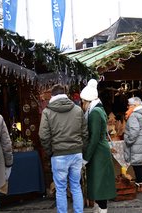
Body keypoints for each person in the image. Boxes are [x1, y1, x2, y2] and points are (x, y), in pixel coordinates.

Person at [39, 84, 88, 213]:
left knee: (60, 189)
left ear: (53, 96)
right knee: (76, 186)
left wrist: (50, 151)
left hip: (58, 154)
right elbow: (85, 133)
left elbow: (43, 135)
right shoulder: (77, 110)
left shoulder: (47, 112)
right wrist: (81, 148)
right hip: (76, 152)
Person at [80, 79, 116, 213]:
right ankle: (100, 208)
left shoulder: (94, 113)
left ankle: (102, 209)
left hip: (98, 152)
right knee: (98, 181)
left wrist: (86, 157)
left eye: (83, 102)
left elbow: (94, 137)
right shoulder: (98, 109)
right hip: (100, 150)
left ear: (87, 101)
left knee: (99, 182)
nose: (82, 104)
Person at [123, 96, 142, 193]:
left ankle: (140, 186)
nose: (128, 107)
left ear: (135, 105)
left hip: (136, 144)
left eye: (129, 105)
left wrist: (128, 140)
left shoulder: (133, 115)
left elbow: (134, 131)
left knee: (137, 165)